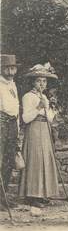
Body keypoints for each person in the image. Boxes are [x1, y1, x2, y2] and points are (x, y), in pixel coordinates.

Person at [18, 63, 60, 208]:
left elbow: (49, 118)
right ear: (33, 82)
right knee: (35, 159)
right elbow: (25, 118)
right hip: (34, 129)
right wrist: (38, 107)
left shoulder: (46, 98)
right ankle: (31, 195)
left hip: (45, 129)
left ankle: (42, 193)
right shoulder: (28, 97)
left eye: (44, 81)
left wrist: (51, 108)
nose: (41, 84)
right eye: (38, 81)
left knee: (45, 159)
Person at [0, 54, 20, 211]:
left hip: (13, 124)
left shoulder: (13, 85)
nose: (11, 70)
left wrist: (18, 128)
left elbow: (16, 109)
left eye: (13, 67)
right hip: (2, 124)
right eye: (8, 67)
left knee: (9, 161)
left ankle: (3, 196)